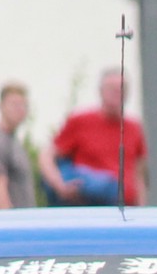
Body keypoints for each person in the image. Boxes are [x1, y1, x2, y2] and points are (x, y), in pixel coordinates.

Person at [38, 68, 147, 207]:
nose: (117, 93)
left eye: (122, 88)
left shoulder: (134, 128)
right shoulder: (81, 121)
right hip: (92, 207)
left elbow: (138, 175)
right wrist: (59, 185)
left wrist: (142, 210)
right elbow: (47, 156)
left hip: (126, 207)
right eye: (112, 88)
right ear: (100, 91)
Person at [0, 82, 35, 209]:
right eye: (14, 104)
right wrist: (9, 218)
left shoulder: (14, 141)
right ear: (1, 106)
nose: (20, 110)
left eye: (23, 105)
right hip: (8, 220)